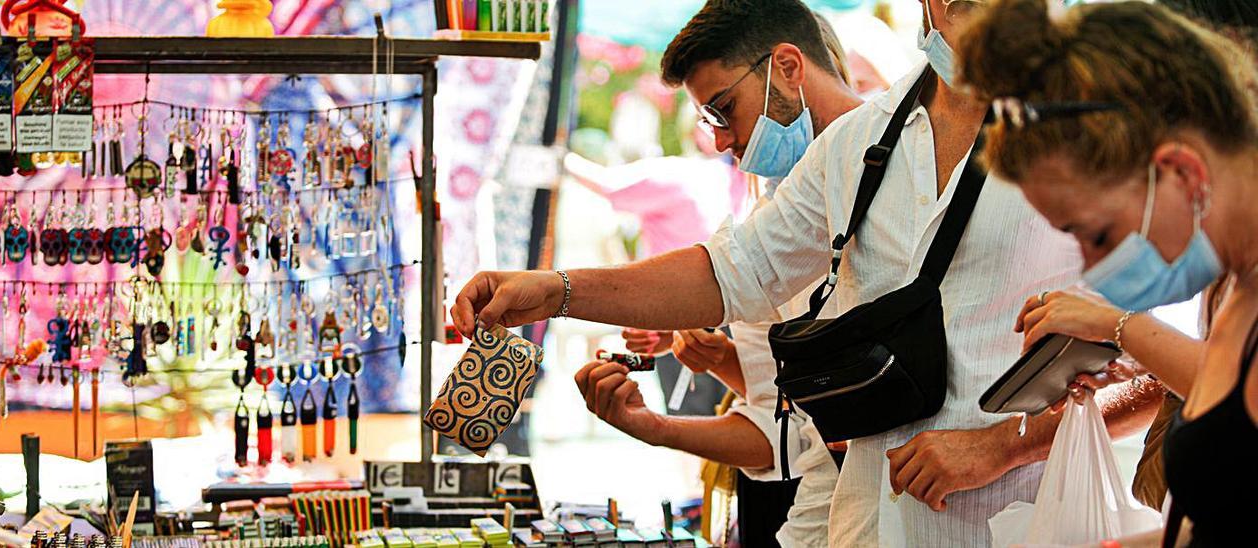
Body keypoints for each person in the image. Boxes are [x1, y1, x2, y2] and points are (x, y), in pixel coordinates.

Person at [451, 0, 1159, 544]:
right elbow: (731, 271)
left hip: (1023, 523)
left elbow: (1170, 365)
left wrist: (1000, 448)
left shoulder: (1100, 132)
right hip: (863, 526)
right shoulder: (862, 142)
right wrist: (556, 290)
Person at [953, 0, 1258, 545]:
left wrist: (1122, 327)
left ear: (1182, 171)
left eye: (1097, 236)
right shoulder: (1236, 283)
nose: (1092, 268)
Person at [575, 2, 864, 546]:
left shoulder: (902, 166)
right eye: (709, 119)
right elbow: (784, 425)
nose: (721, 140)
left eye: (724, 109)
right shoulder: (774, 212)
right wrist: (660, 423)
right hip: (831, 505)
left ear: (789, 67)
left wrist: (557, 291)